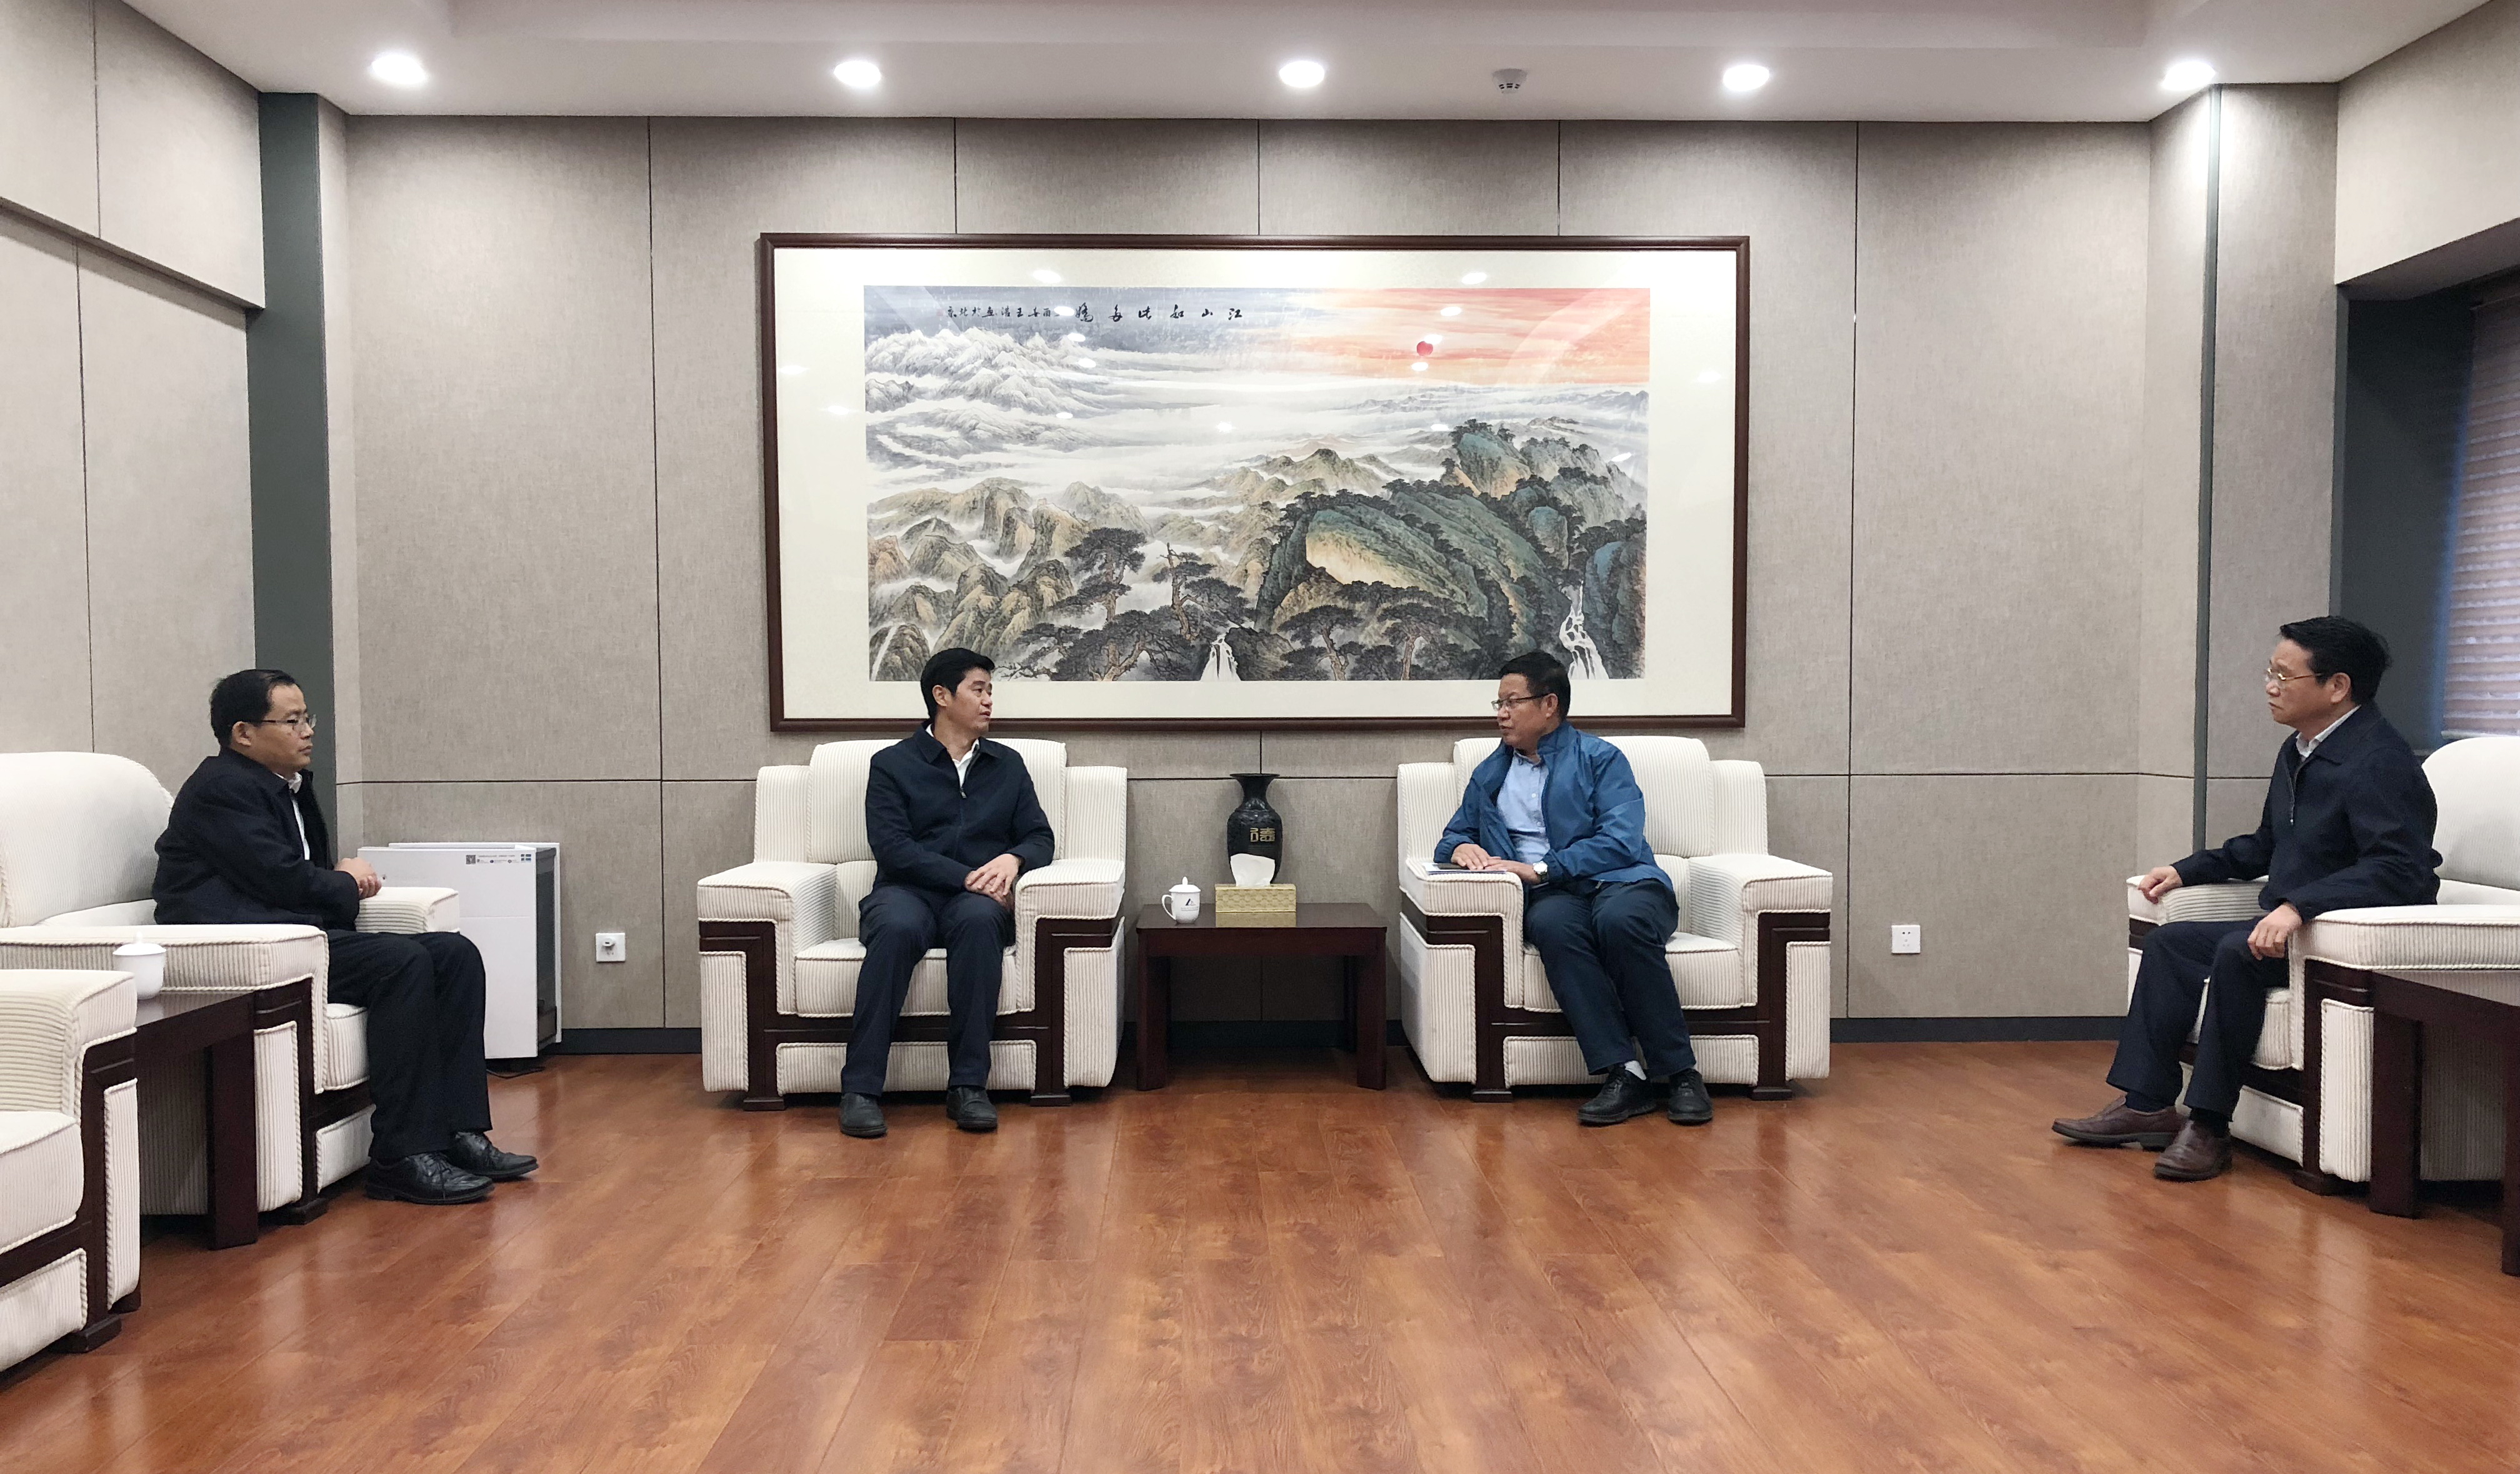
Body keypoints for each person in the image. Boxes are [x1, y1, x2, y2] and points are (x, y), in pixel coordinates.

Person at [2054, 617, 2439, 1182]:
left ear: (2337, 686)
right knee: (2172, 944)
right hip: (2292, 928)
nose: (2270, 686)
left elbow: (2401, 869)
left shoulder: (2380, 761)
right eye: (2270, 672)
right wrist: (2186, 870)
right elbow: (2266, 843)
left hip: (2337, 940)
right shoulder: (2299, 749)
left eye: (2284, 675)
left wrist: (2299, 906)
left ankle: (2209, 1125)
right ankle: (2147, 1103)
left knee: (2238, 951)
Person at [153, 669, 538, 1206]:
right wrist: (347, 879)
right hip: (254, 947)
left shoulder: (284, 783)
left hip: (298, 935)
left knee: (455, 953)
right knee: (400, 962)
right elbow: (283, 879)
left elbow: (294, 876)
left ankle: (458, 1131)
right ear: (243, 733)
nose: (308, 730)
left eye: (307, 717)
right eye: (291, 721)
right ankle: (401, 1156)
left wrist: (335, 881)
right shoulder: (221, 790)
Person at [1438, 650, 1711, 1127]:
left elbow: (1621, 840)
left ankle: (1681, 1072)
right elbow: (1454, 833)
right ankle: (1624, 1073)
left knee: (1619, 921)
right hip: (1553, 897)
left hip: (1625, 881)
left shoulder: (1600, 758)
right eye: (1498, 703)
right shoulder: (1489, 774)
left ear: (1549, 704)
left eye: (1512, 701)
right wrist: (1461, 847)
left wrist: (1544, 868)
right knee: (1551, 925)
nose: (1501, 713)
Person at [842, 647, 1055, 1140]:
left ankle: (968, 1087)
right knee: (895, 928)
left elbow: (1040, 836)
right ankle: (860, 1091)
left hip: (974, 903)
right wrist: (968, 876)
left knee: (980, 924)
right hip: (906, 891)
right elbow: (893, 848)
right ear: (942, 695)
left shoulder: (1007, 765)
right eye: (978, 690)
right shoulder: (892, 764)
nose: (988, 701)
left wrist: (1014, 859)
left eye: (990, 691)